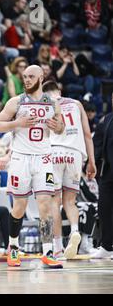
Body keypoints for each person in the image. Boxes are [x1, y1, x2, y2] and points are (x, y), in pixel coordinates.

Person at [0, 65, 65, 268]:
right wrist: (17, 123)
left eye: (31, 76)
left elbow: (61, 129)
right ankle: (13, 248)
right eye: (24, 77)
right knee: (19, 207)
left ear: (41, 77)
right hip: (20, 159)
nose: (26, 80)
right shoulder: (16, 101)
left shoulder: (52, 103)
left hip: (43, 158)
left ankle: (48, 251)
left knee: (45, 205)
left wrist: (57, 126)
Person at [42, 80, 97, 259]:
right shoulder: (77, 104)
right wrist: (91, 162)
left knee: (54, 202)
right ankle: (74, 230)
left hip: (54, 153)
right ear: (60, 90)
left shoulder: (44, 104)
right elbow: (88, 135)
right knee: (70, 201)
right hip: (75, 155)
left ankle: (57, 247)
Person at [92, 94, 113, 259]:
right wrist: (92, 164)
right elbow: (97, 143)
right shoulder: (106, 119)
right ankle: (106, 246)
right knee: (104, 208)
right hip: (107, 172)